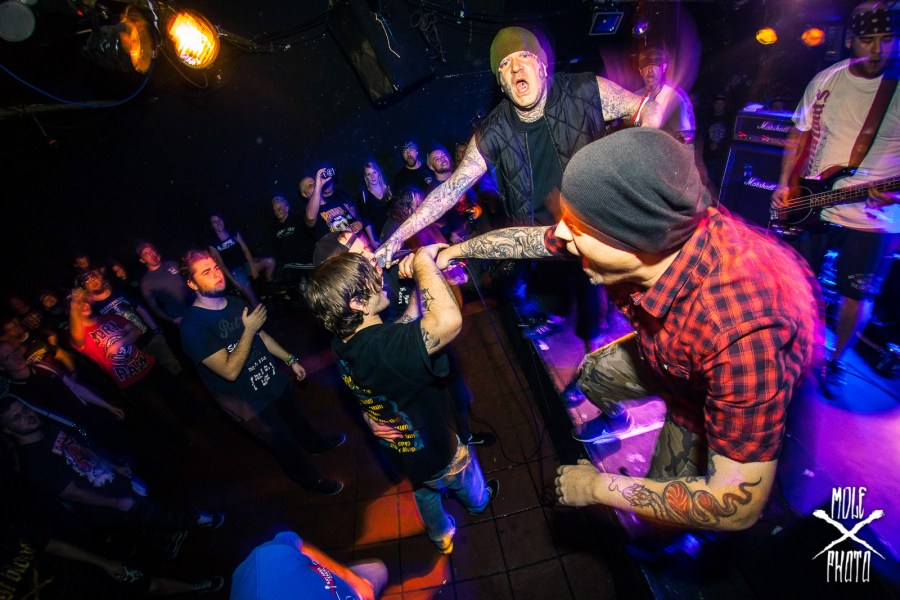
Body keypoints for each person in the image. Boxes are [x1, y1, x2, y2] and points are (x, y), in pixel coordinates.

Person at [437, 128, 821, 531]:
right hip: (667, 351)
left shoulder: (741, 331)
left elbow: (737, 505)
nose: (561, 233)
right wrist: (456, 251)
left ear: (636, 243)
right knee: (592, 373)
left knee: (659, 518)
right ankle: (617, 419)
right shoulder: (641, 231)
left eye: (578, 227)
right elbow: (533, 241)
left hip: (699, 395)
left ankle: (664, 546)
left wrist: (596, 487)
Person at [377, 27, 662, 352]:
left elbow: (646, 108)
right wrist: (397, 237)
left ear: (542, 65)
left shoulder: (584, 90)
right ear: (501, 84)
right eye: (504, 65)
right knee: (556, 293)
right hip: (543, 240)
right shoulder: (493, 131)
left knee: (614, 297)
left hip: (599, 225)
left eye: (524, 56)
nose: (515, 68)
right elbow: (451, 189)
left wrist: (644, 164)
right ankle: (576, 335)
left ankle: (606, 344)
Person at [306, 250, 499, 553]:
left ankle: (440, 535)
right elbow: (448, 322)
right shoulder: (386, 348)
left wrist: (417, 294)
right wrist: (423, 261)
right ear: (356, 303)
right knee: (465, 473)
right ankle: (480, 502)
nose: (380, 276)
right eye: (371, 278)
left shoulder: (342, 341)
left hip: (402, 452)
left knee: (424, 490)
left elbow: (399, 333)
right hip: (439, 450)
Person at [771, 1, 900, 398]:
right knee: (797, 283)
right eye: (868, 39)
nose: (877, 49)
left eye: (887, 39)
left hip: (873, 215)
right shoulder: (826, 79)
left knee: (855, 295)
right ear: (849, 39)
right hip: (816, 202)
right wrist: (784, 184)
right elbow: (798, 134)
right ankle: (795, 350)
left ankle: (837, 359)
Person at [178, 249, 345, 495]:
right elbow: (229, 370)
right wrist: (249, 329)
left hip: (271, 379)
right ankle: (311, 481)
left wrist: (289, 359)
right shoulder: (193, 326)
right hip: (248, 403)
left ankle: (315, 444)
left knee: (296, 418)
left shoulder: (235, 303)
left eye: (216, 268)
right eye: (206, 272)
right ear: (192, 284)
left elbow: (262, 336)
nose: (216, 274)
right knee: (283, 443)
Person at [0, 397, 224, 555]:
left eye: (25, 409)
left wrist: (115, 467)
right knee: (157, 514)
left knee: (147, 515)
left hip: (114, 483)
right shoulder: (33, 463)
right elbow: (74, 494)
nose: (28, 416)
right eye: (17, 417)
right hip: (106, 503)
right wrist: (116, 503)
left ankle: (164, 542)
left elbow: (84, 449)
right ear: (8, 431)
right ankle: (199, 520)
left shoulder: (48, 429)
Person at [230, 531, 386, 600]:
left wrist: (350, 578)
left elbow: (299, 546)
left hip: (343, 588)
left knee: (377, 570)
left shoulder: (269, 559)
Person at [207, 212, 274, 306]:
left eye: (219, 220)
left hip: (246, 264)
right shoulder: (212, 243)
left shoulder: (233, 232)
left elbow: (245, 249)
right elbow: (221, 265)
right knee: (254, 301)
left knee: (270, 261)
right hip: (235, 272)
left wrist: (252, 268)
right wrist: (233, 281)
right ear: (212, 225)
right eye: (214, 222)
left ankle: (270, 289)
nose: (218, 223)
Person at [633, 46, 696, 144]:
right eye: (645, 65)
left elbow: (686, 139)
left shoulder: (674, 99)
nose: (650, 70)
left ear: (664, 67)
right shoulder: (634, 98)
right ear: (640, 71)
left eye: (655, 64)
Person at [137, 242, 194, 327]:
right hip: (182, 317)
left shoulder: (171, 264)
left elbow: (189, 280)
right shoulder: (146, 283)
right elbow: (154, 307)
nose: (151, 254)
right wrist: (172, 320)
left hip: (197, 306)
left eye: (152, 251)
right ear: (142, 260)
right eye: (146, 254)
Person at [359, 160, 394, 246]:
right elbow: (366, 220)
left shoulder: (389, 189)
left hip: (396, 231)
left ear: (379, 173)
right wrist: (372, 240)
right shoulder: (364, 196)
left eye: (374, 172)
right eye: (369, 174)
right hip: (380, 238)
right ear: (365, 177)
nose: (372, 176)